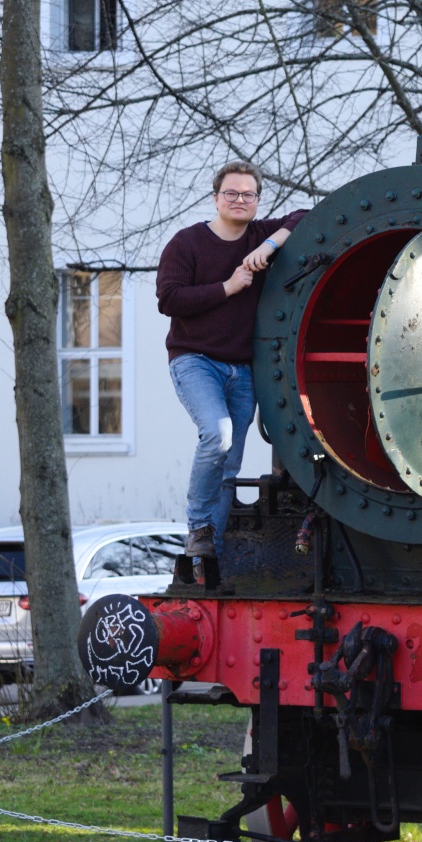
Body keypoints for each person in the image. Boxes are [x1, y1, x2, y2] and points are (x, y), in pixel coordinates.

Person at [156, 160, 306, 583]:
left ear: (257, 200)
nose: (240, 200)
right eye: (231, 194)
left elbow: (305, 215)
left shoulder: (259, 234)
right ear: (215, 197)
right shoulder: (187, 243)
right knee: (217, 435)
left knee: (229, 463)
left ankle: (209, 563)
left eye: (248, 195)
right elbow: (169, 299)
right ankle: (198, 528)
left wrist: (273, 244)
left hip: (243, 370)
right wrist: (228, 287)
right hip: (195, 360)